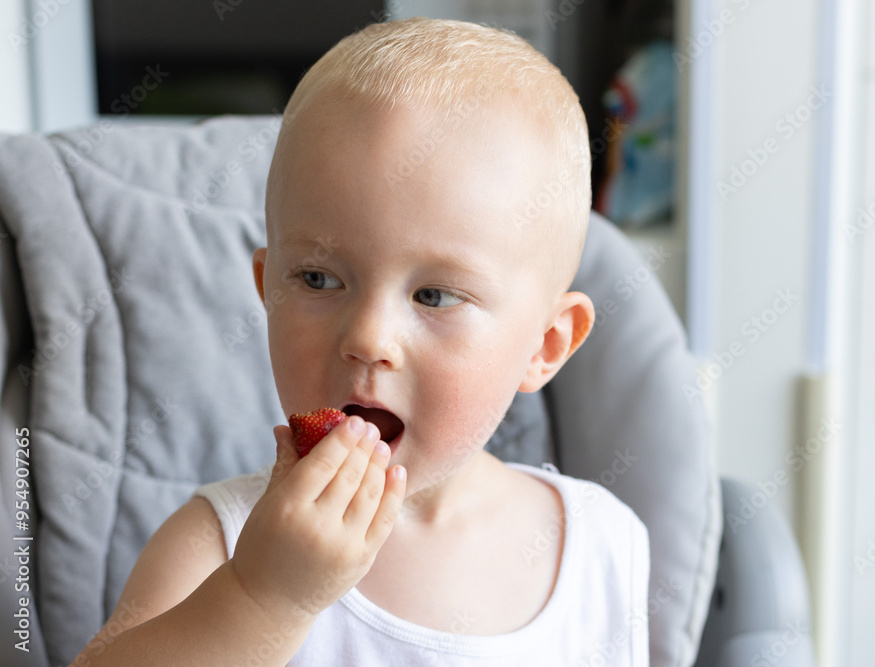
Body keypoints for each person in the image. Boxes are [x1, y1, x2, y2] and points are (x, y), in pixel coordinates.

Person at [72, 17, 650, 666]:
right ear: (268, 291)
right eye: (319, 279)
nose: (368, 338)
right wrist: (264, 597)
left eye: (434, 295)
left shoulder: (600, 547)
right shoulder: (222, 543)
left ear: (545, 345)